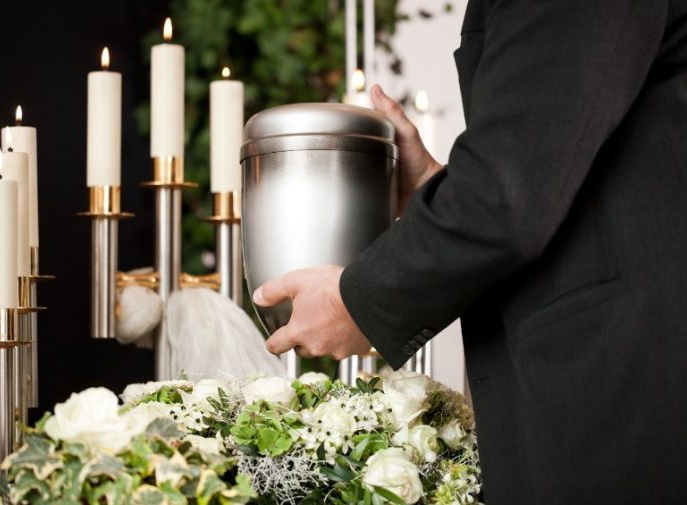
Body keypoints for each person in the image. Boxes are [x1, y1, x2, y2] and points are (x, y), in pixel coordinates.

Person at [251, 0, 687, 503]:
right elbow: (545, 161)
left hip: (626, 379)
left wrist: (357, 298)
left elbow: (508, 192)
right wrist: (437, 188)